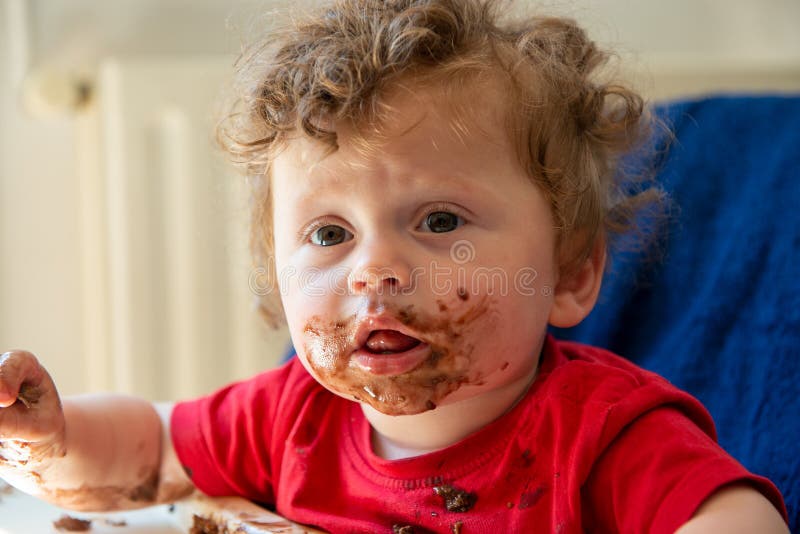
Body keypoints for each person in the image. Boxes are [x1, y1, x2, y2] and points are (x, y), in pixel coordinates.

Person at [0, 1, 790, 532]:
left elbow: (736, 515)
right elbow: (153, 448)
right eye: (329, 234)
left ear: (573, 272)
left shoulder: (604, 434)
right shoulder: (292, 419)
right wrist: (51, 437)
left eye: (439, 221)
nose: (373, 270)